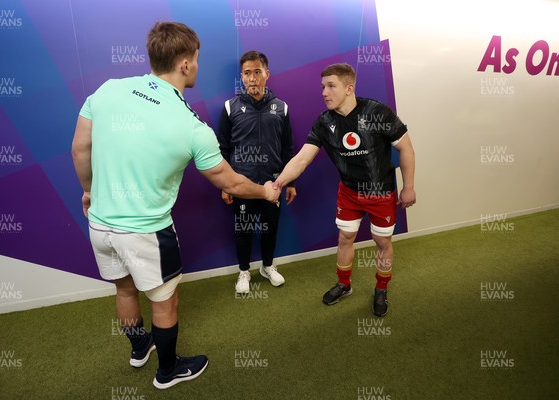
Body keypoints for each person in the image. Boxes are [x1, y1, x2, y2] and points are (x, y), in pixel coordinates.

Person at [71, 22, 281, 390]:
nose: (197, 66)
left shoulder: (108, 91)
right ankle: (167, 371)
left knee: (124, 290)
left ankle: (140, 349)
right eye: (196, 59)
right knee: (165, 301)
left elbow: (80, 149)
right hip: (147, 233)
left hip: (100, 226)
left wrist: (89, 192)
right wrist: (266, 193)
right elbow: (230, 181)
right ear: (185, 64)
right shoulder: (192, 127)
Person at [274, 63, 416, 317]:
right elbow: (301, 159)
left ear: (349, 88)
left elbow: (406, 148)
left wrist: (409, 187)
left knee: (382, 241)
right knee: (344, 238)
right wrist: (277, 183)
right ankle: (344, 284)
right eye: (322, 87)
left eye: (331, 86)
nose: (324, 92)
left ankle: (381, 288)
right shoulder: (324, 121)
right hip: (349, 193)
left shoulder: (377, 112)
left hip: (380, 192)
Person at [216, 50, 296, 294]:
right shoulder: (230, 107)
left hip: (273, 184)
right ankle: (243, 272)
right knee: (244, 231)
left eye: (257, 72)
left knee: (270, 230)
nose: (252, 78)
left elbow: (288, 148)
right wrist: (225, 185)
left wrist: (290, 182)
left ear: (266, 74)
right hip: (243, 184)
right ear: (242, 77)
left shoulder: (281, 108)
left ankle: (267, 267)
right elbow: (223, 149)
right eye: (247, 73)